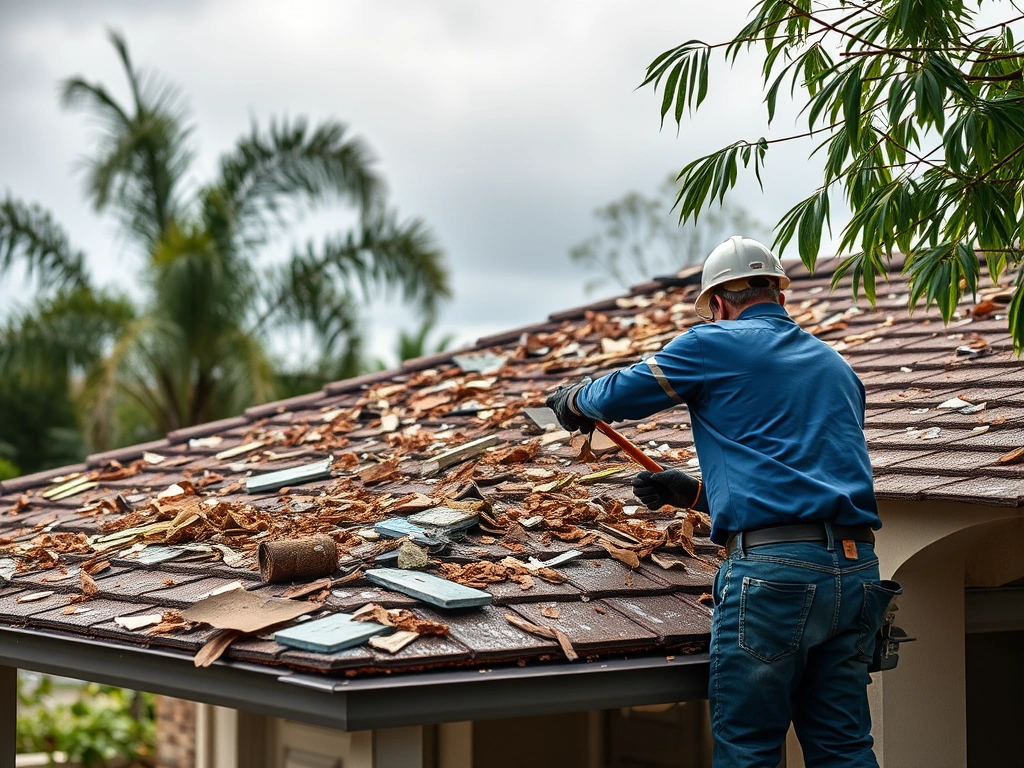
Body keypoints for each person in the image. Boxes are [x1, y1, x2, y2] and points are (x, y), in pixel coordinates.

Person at [546, 237, 897, 768]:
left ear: (718, 304)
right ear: (781, 297)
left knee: (748, 750)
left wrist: (575, 399)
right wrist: (695, 495)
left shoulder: (712, 343)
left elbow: (623, 393)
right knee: (843, 748)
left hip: (774, 578)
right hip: (855, 574)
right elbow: (804, 482)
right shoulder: (835, 367)